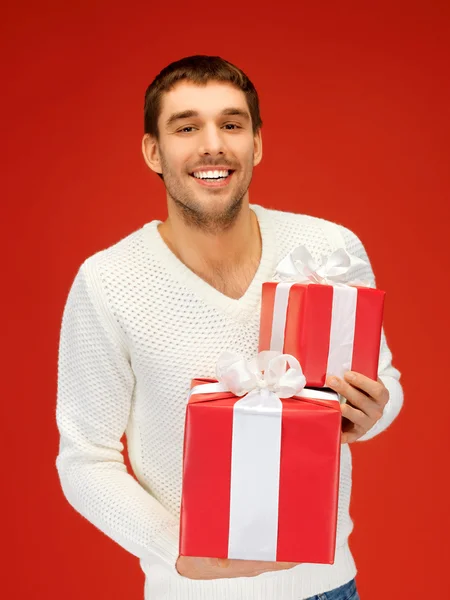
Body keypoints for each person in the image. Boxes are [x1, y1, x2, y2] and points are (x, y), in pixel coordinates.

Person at [55, 55, 403, 600]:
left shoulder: (330, 249)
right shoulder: (109, 281)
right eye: (187, 126)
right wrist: (177, 550)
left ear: (257, 144)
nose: (212, 144)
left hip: (329, 587)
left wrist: (375, 410)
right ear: (154, 151)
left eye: (232, 125)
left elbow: (384, 385)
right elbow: (84, 458)